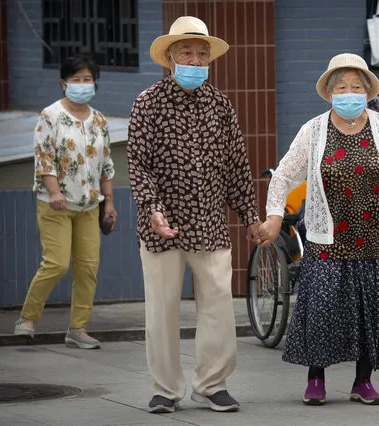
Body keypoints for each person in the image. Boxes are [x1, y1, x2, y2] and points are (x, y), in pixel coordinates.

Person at [258, 53, 379, 406]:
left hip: (375, 237)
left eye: (356, 87)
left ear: (367, 92)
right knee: (322, 308)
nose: (350, 93)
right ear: (330, 93)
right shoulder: (313, 131)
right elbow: (283, 175)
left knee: (371, 311)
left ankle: (363, 381)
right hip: (327, 238)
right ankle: (316, 378)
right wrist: (273, 215)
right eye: (342, 87)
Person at [127, 16, 261, 414]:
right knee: (162, 309)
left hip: (210, 224)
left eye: (202, 53)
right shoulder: (147, 102)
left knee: (219, 306)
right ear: (169, 56)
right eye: (187, 51)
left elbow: (237, 165)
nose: (195, 59)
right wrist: (152, 209)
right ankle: (165, 389)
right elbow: (138, 164)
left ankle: (211, 384)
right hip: (161, 227)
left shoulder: (220, 104)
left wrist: (251, 216)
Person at [13, 54, 117, 349]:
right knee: (56, 264)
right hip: (55, 204)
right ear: (63, 83)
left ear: (95, 83)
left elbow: (106, 166)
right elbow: (44, 158)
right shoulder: (50, 116)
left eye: (87, 79)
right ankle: (27, 318)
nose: (82, 84)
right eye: (76, 79)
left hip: (88, 206)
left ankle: (78, 329)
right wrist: (55, 191)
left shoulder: (99, 120)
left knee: (88, 268)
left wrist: (108, 203)